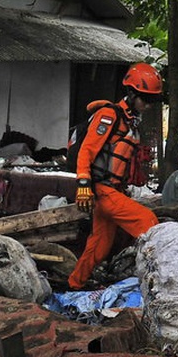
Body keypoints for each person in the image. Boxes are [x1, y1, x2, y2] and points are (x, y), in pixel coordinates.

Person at [68, 62, 162, 290]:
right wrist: (83, 185)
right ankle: (158, 282)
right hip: (102, 190)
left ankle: (74, 284)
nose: (148, 105)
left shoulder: (130, 121)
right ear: (131, 93)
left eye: (152, 100)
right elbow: (86, 151)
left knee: (99, 246)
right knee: (148, 223)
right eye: (145, 99)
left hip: (113, 190)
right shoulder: (108, 116)